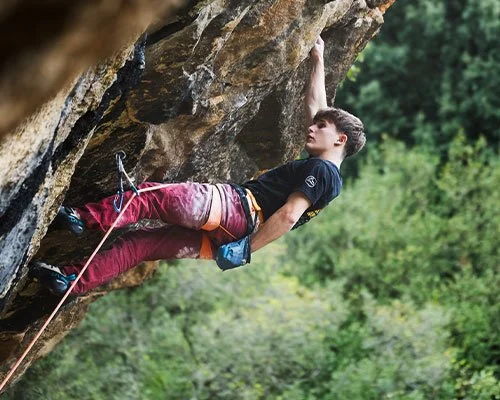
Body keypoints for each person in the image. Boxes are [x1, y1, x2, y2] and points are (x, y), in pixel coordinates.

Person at [31, 36, 366, 295]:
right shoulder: (325, 172)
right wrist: (318, 61)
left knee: (151, 197)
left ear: (341, 141)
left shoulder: (321, 172)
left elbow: (289, 216)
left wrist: (248, 250)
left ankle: (82, 219)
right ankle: (71, 280)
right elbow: (317, 109)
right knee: (140, 245)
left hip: (235, 212)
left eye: (322, 128)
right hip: (225, 237)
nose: (312, 127)